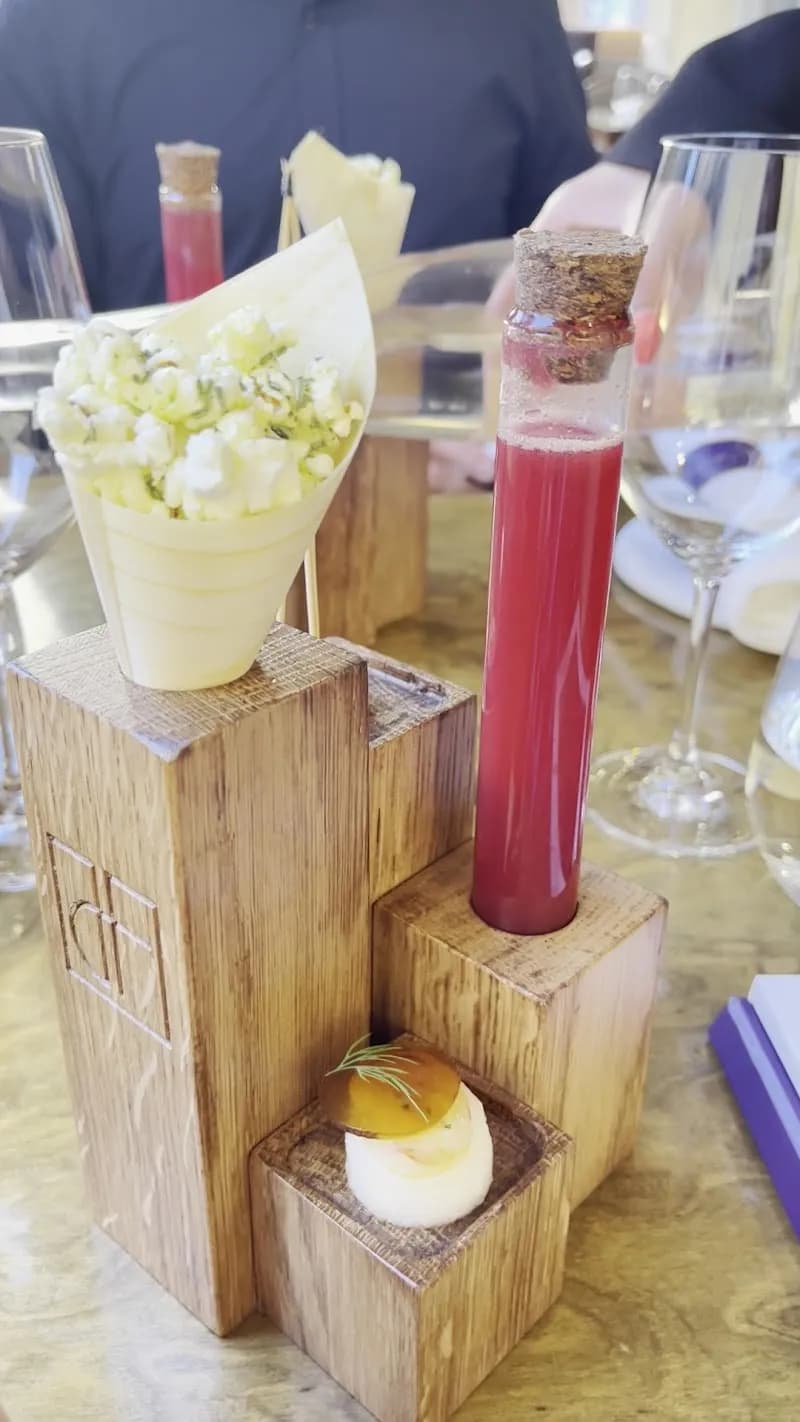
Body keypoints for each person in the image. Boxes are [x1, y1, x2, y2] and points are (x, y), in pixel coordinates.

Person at [0, 0, 594, 312]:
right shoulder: (47, 27)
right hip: (164, 489)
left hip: (459, 489)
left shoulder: (508, 15)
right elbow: (39, 331)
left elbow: (575, 280)